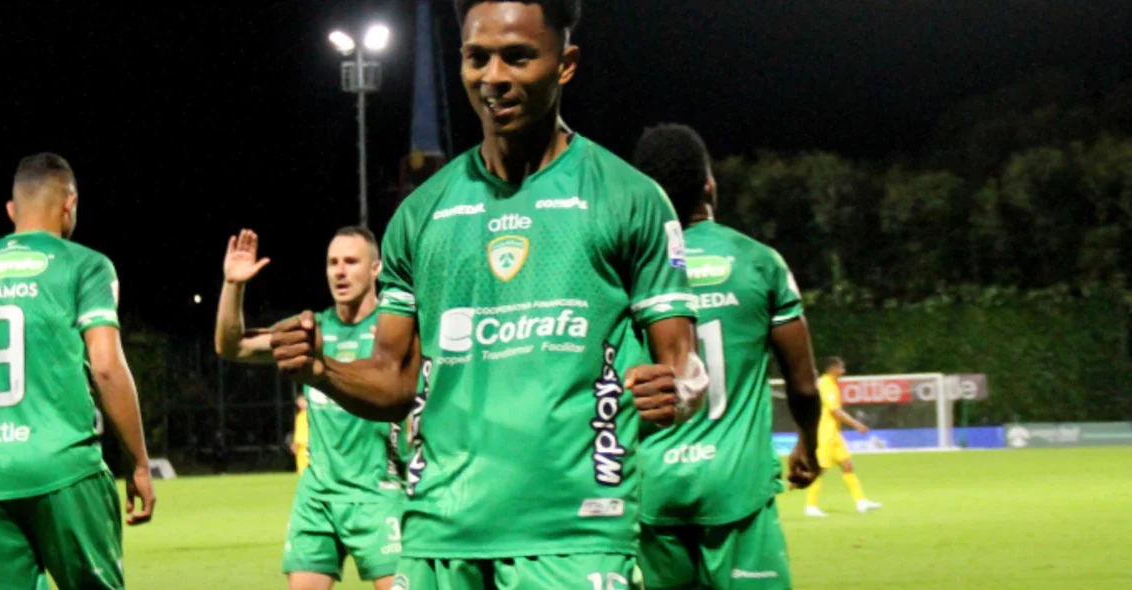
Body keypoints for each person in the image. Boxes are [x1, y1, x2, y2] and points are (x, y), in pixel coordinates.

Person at [269, 1, 709, 587]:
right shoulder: (421, 215)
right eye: (477, 58)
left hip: (574, 538)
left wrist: (679, 391)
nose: (494, 77)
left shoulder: (628, 199)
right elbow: (393, 379)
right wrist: (322, 368)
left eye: (519, 57)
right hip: (437, 538)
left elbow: (685, 365)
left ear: (565, 64)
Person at [0, 152, 156, 589]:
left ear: (12, 210)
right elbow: (106, 367)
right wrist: (140, 462)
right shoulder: (85, 265)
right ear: (70, 203)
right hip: (64, 470)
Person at [631, 123, 824, 589]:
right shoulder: (759, 262)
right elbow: (802, 382)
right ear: (709, 184)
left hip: (653, 489)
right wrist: (808, 444)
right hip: (735, 486)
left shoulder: (628, 271)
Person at [214, 227, 405, 590]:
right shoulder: (308, 332)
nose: (340, 271)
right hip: (317, 496)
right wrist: (233, 285)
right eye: (333, 262)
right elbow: (232, 346)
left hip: (379, 493)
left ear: (376, 268)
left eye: (351, 262)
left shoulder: (395, 332)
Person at [805, 357, 882, 516]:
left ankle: (861, 502)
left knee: (847, 465)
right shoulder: (826, 384)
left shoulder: (833, 384)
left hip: (835, 434)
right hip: (825, 433)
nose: (843, 371)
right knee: (820, 469)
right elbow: (835, 411)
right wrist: (856, 424)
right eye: (841, 368)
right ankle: (810, 506)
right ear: (832, 369)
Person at [290, 393, 309, 475]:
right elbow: (299, 431)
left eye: (302, 400)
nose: (300, 403)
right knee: (301, 470)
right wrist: (295, 443)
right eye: (299, 401)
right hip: (300, 447)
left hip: (308, 446)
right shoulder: (299, 416)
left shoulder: (311, 414)